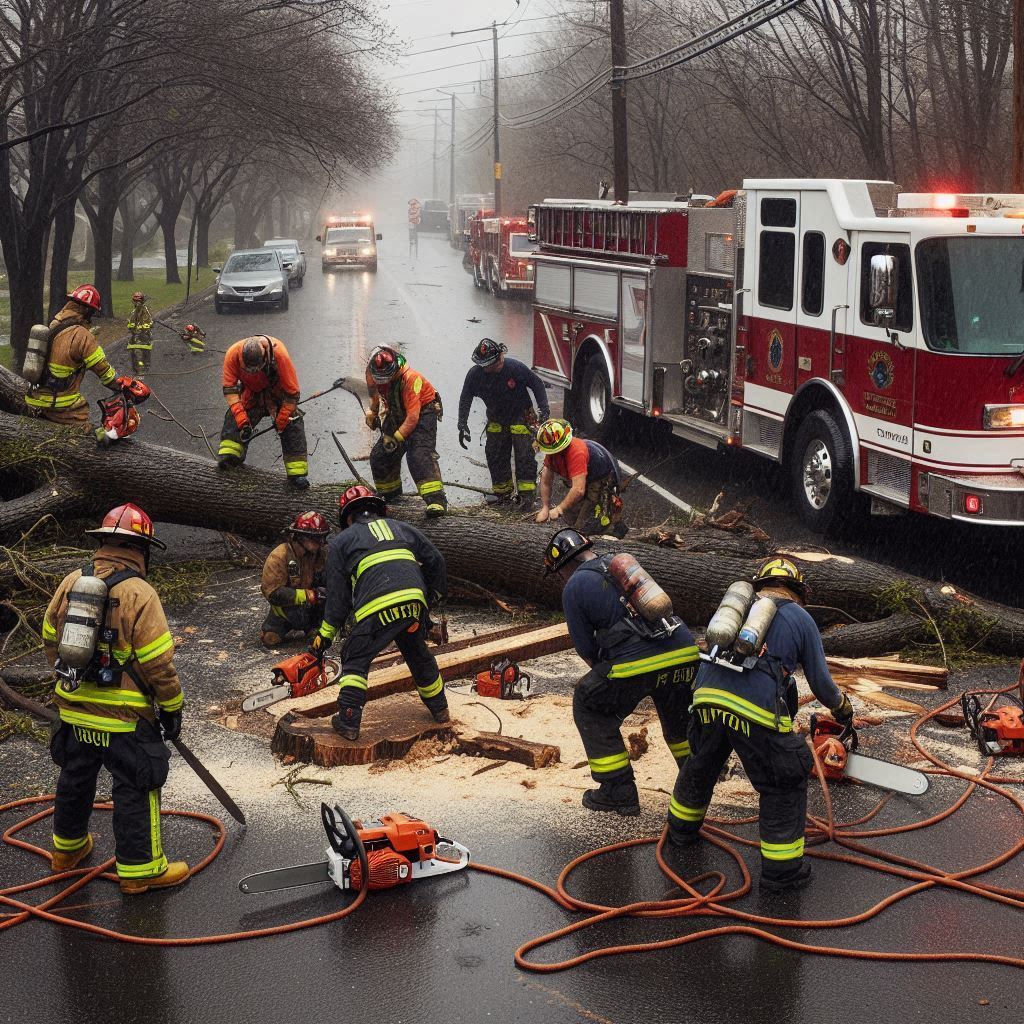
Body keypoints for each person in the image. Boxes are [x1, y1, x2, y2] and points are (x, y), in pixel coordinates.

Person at [667, 557, 855, 892]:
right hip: (753, 710)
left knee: (701, 766)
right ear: (798, 591)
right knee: (784, 779)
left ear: (760, 584)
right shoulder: (799, 617)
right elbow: (821, 684)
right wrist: (843, 708)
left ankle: (680, 833)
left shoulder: (734, 609)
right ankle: (782, 872)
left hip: (705, 700)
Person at [40, 503, 189, 894]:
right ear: (142, 550)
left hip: (72, 713)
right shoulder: (140, 593)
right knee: (136, 785)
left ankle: (66, 851)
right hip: (122, 720)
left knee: (74, 777)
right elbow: (158, 664)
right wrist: (172, 706)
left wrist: (71, 684)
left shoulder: (72, 580)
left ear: (103, 543)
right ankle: (141, 871)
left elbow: (49, 638)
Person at [544, 528, 700, 816]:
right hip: (684, 652)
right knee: (678, 719)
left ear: (562, 566)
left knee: (588, 703)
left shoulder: (574, 585)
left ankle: (618, 791)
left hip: (635, 662)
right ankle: (696, 783)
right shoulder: (621, 566)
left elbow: (586, 649)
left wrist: (614, 684)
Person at [310, 485, 449, 741]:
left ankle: (349, 720)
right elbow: (436, 560)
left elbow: (338, 599)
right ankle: (440, 708)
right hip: (414, 603)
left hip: (378, 607)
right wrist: (430, 598)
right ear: (378, 509)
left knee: (354, 655)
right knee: (416, 651)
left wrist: (323, 638)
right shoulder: (403, 528)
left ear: (348, 517)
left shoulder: (341, 541)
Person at [456, 338, 549, 509]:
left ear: (500, 358)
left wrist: (544, 409)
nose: (488, 368)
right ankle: (502, 493)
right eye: (484, 365)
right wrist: (462, 423)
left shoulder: (514, 368)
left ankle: (526, 496)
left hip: (522, 415)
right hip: (496, 416)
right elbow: (466, 398)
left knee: (524, 456)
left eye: (492, 364)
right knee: (495, 453)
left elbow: (537, 384)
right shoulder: (475, 375)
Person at [24, 284, 124, 431]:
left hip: (35, 400)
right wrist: (121, 385)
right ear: (88, 310)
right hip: (63, 407)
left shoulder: (55, 324)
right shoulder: (82, 335)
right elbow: (103, 370)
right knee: (86, 436)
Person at [217, 335, 309, 489]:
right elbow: (230, 391)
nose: (253, 371)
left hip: (278, 394)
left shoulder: (279, 354)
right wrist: (242, 420)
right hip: (252, 393)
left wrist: (282, 420)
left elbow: (292, 394)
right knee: (233, 418)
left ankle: (297, 474)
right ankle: (230, 458)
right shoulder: (232, 355)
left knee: (292, 423)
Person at [365, 345, 446, 517]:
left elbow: (412, 417)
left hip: (422, 413)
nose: (383, 381)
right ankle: (391, 497)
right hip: (396, 412)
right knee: (380, 456)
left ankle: (437, 502)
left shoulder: (411, 379)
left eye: (386, 378)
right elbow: (374, 395)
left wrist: (396, 437)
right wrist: (372, 412)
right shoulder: (372, 371)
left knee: (418, 455)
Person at [534, 418, 626, 538]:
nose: (551, 454)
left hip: (601, 479)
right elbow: (546, 481)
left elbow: (578, 489)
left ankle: (615, 530)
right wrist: (545, 507)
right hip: (582, 478)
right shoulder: (552, 452)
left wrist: (559, 509)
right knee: (571, 516)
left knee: (586, 526)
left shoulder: (576, 453)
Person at [260, 511, 330, 647]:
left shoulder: (318, 553)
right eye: (317, 539)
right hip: (285, 610)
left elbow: (324, 578)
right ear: (302, 538)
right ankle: (275, 628)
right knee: (270, 639)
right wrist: (307, 595)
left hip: (311, 608)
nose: (321, 543)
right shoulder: (279, 556)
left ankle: (314, 626)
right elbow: (274, 593)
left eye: (322, 538)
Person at [126, 291, 154, 375]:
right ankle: (142, 370)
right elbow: (131, 323)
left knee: (139, 355)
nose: (136, 303)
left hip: (141, 337)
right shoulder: (135, 311)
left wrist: (140, 329)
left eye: (138, 301)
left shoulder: (143, 310)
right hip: (138, 337)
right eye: (135, 301)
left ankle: (141, 372)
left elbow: (148, 323)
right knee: (138, 354)